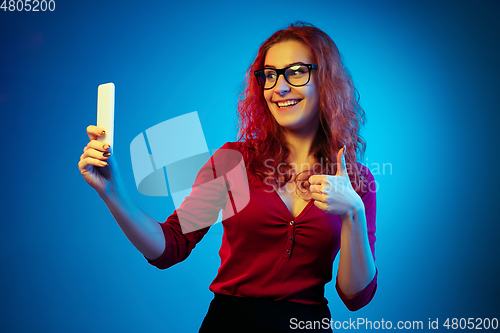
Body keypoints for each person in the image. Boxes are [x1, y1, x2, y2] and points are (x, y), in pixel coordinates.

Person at [78, 22, 377, 333]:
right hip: (230, 324)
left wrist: (353, 211)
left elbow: (356, 297)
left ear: (325, 80)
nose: (280, 87)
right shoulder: (234, 162)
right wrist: (111, 192)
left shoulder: (357, 182)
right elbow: (171, 246)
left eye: (297, 71)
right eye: (270, 75)